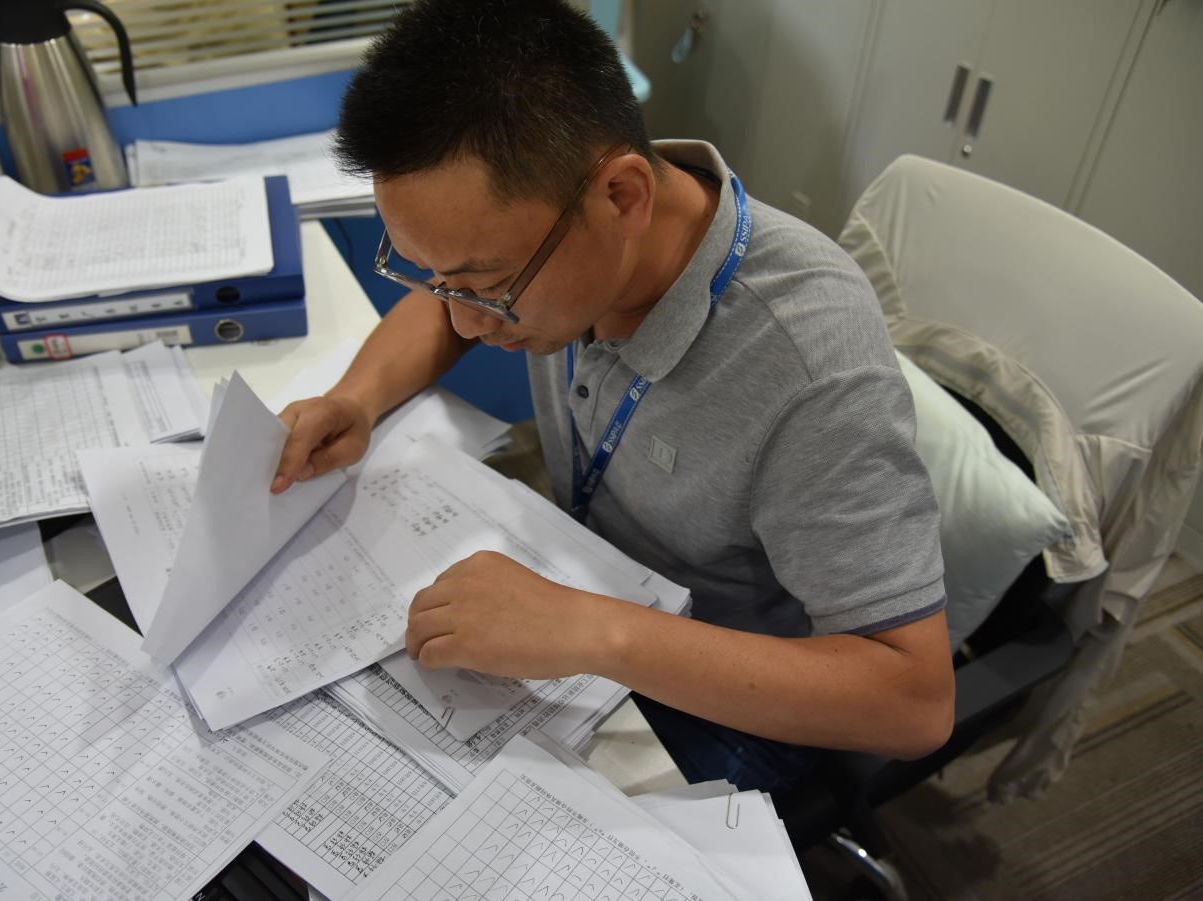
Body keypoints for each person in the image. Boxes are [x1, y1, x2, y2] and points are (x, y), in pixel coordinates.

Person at [272, 0, 954, 801]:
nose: (461, 320)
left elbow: (914, 701)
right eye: (438, 278)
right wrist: (356, 398)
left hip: (728, 686)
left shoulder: (810, 361)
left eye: (490, 287)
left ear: (623, 197)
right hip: (585, 584)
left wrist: (595, 630)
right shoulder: (564, 227)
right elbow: (453, 294)